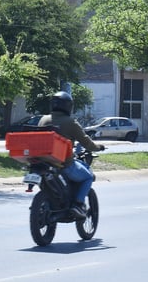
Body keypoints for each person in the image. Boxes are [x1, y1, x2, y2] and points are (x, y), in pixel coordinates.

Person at [38, 91, 104, 219]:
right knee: (88, 177)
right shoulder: (70, 122)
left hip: (43, 161)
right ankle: (78, 204)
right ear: (68, 106)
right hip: (64, 164)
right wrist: (98, 147)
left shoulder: (43, 120)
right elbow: (86, 142)